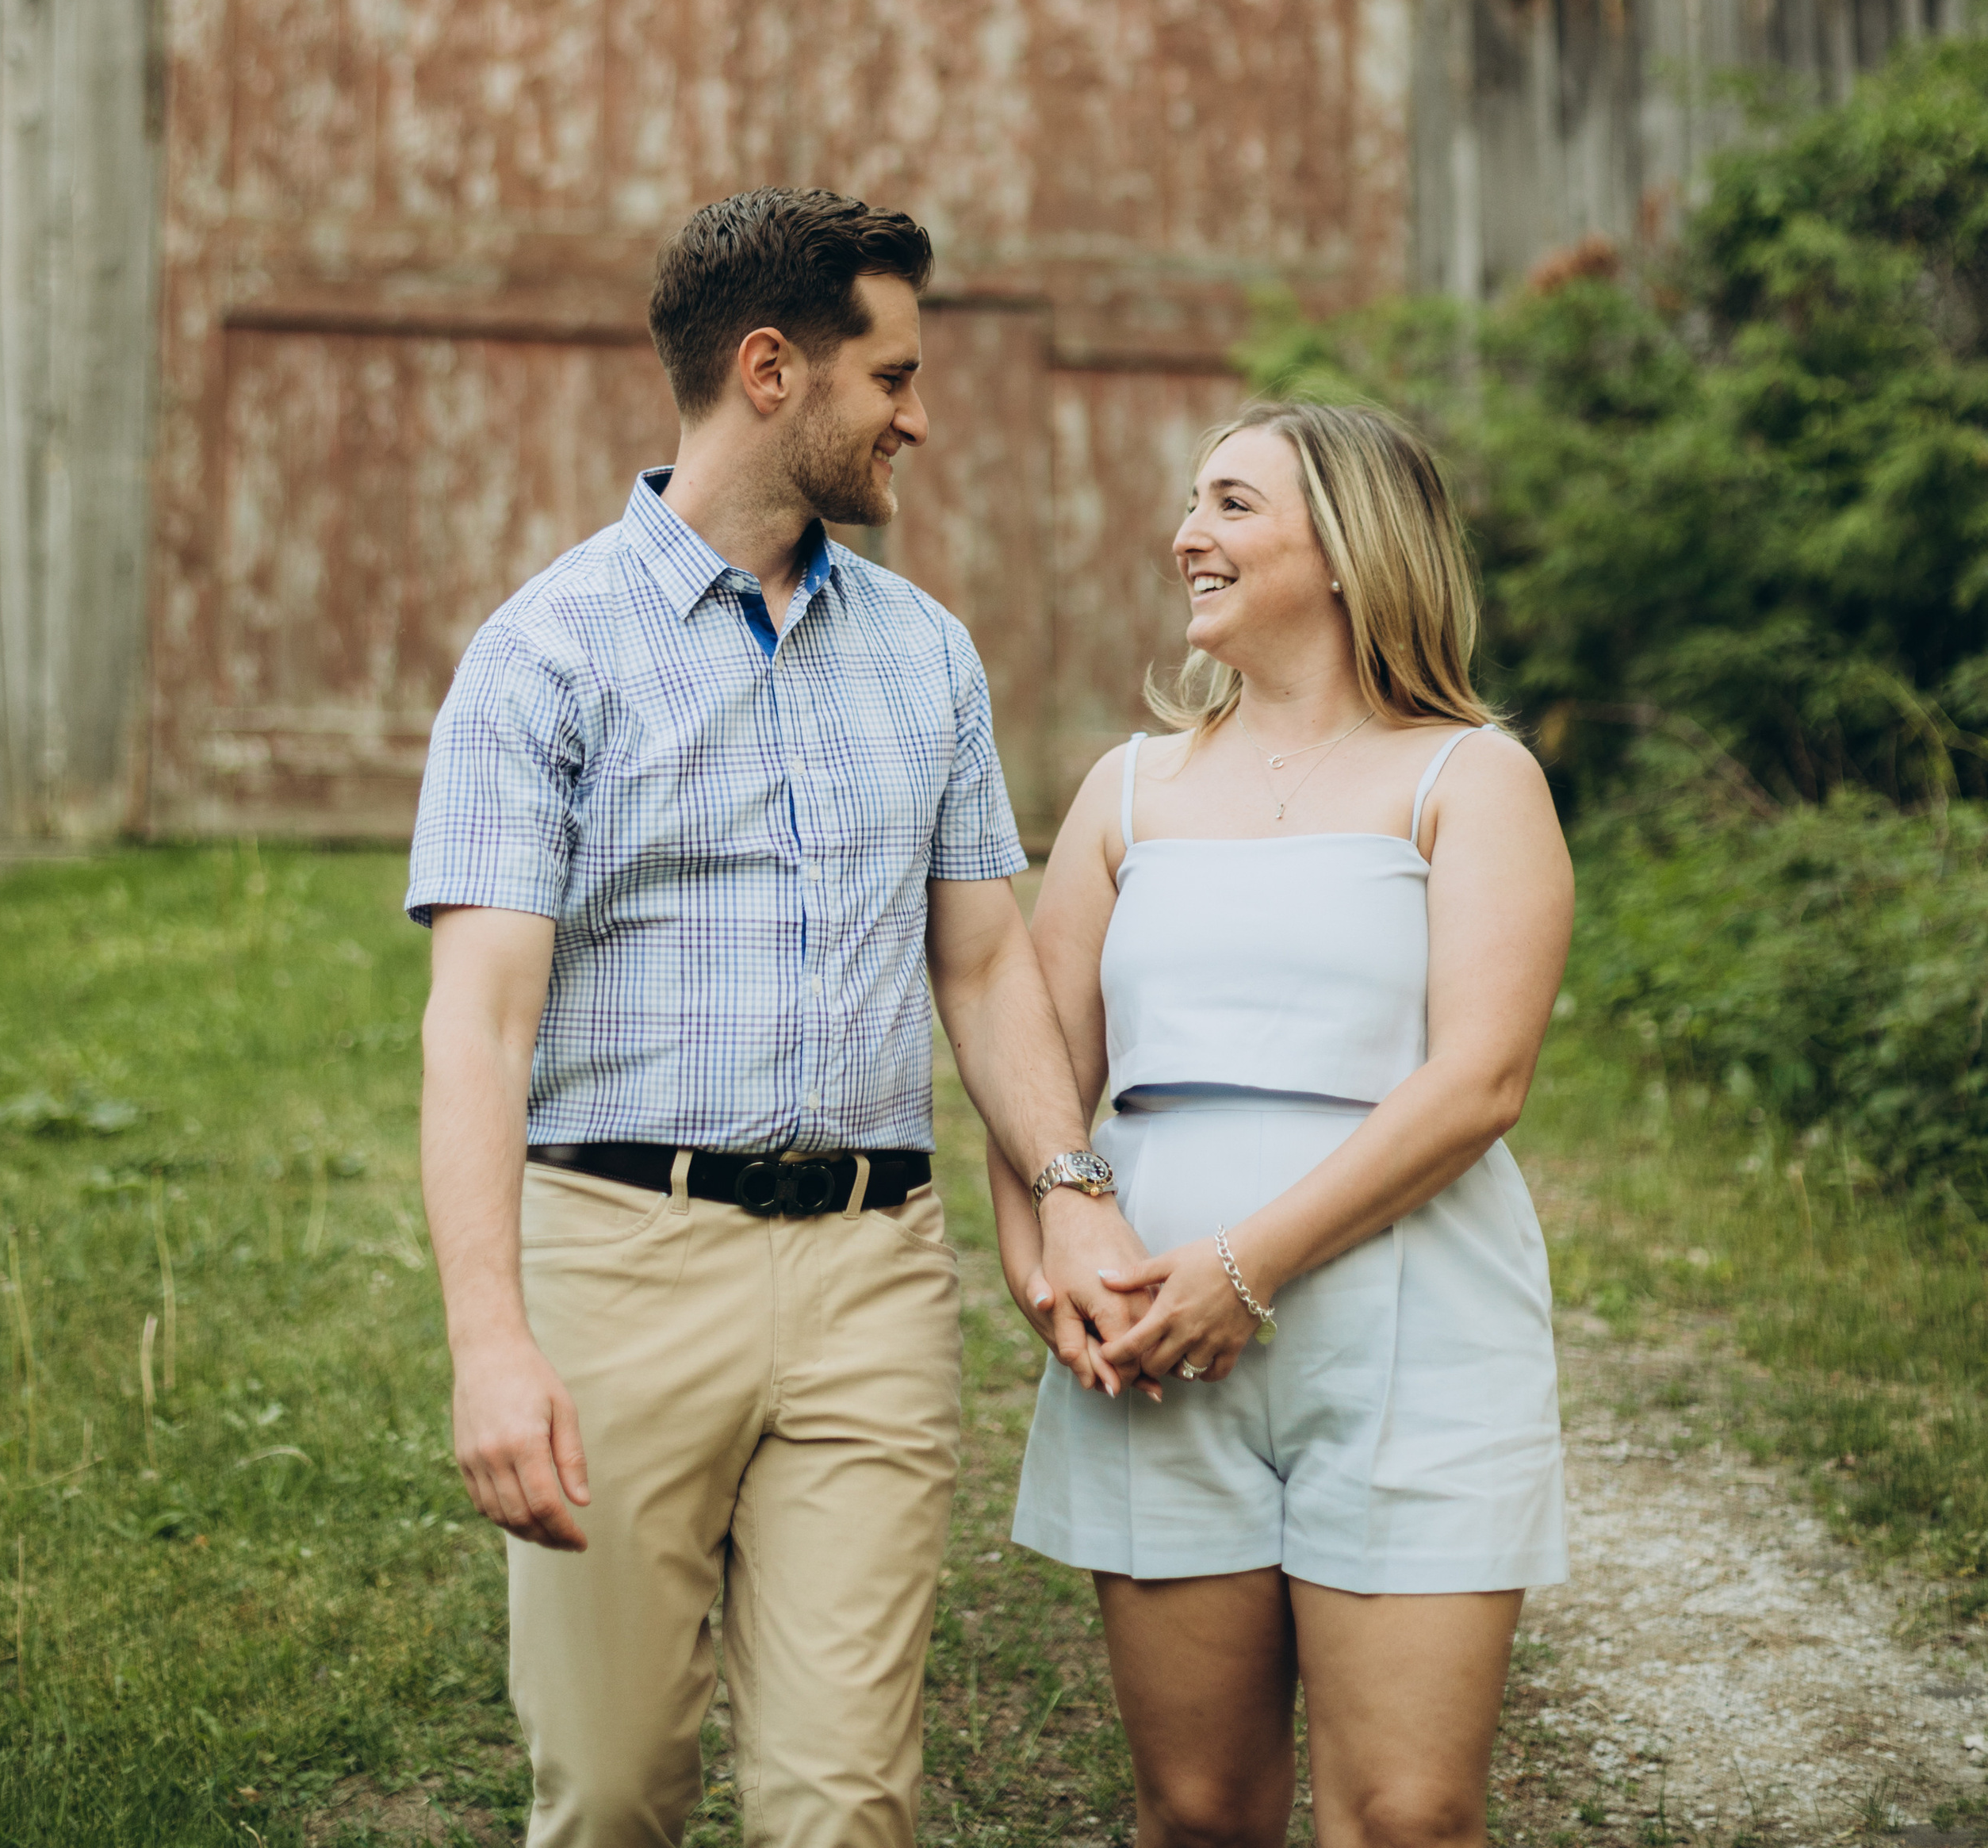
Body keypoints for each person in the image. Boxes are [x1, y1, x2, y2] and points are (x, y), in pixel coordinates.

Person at [407, 186, 1150, 1848]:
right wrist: (489, 1341)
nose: (919, 414)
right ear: (769, 372)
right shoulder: (542, 660)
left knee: (843, 1806)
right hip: (619, 1262)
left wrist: (1074, 1195)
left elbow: (980, 966)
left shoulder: (926, 658)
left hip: (869, 1280)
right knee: (611, 1795)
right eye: (888, 376)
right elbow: (479, 1022)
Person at [994, 397, 1573, 1848]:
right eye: (1194, 502)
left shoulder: (1471, 777)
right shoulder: (1127, 792)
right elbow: (1032, 1067)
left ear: (1350, 546)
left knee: (1410, 1812)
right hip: (1154, 1349)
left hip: (1414, 1333)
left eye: (1235, 504)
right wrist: (1046, 1265)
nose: (1189, 534)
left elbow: (1478, 1083)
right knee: (1196, 1811)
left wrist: (1244, 1268)